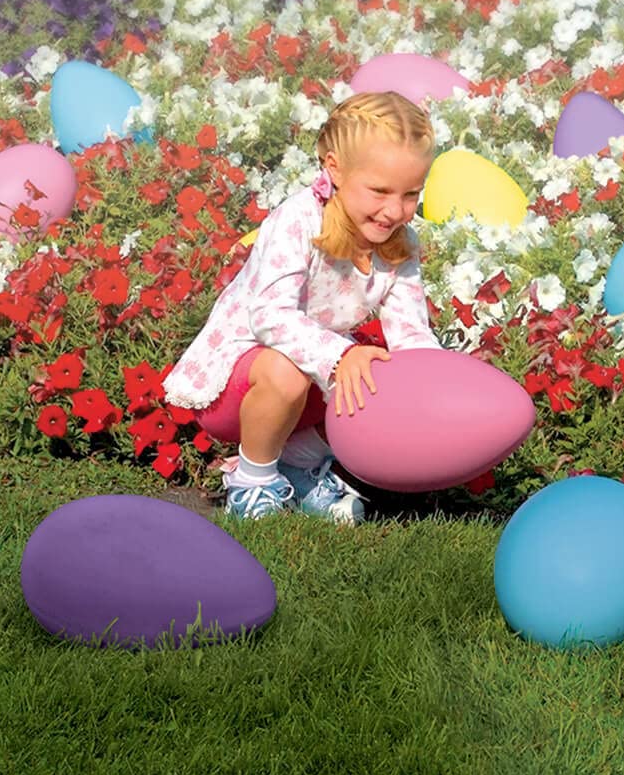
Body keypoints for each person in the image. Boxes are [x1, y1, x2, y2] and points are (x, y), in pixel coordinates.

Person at [163, 91, 442, 521]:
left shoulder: (399, 243)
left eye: (411, 194)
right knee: (289, 370)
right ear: (335, 168)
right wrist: (342, 355)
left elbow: (412, 334)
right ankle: (252, 482)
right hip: (237, 383)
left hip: (313, 377)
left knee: (385, 373)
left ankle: (298, 468)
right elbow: (269, 316)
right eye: (380, 191)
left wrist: (434, 386)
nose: (394, 210)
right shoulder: (298, 220)